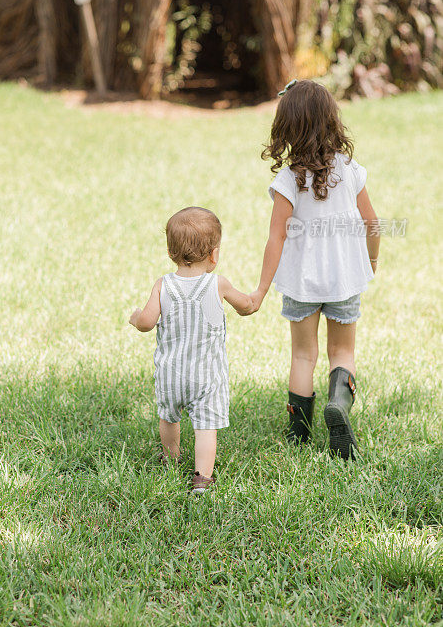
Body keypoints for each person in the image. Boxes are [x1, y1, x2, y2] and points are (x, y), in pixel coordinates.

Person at [250, 79, 380, 459]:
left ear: (287, 128)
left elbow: (276, 238)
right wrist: (371, 261)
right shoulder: (350, 169)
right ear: (331, 121)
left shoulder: (288, 179)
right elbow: (372, 223)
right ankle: (338, 404)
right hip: (344, 279)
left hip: (301, 283)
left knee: (303, 356)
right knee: (342, 353)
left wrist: (260, 290)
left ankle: (299, 436)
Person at [129, 206, 253, 493]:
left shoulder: (163, 285)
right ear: (214, 255)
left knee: (168, 417)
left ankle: (171, 457)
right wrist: (254, 299)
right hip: (206, 378)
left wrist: (136, 316)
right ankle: (202, 478)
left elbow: (147, 322)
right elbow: (245, 306)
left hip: (171, 374)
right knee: (205, 426)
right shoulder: (217, 283)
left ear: (171, 253)